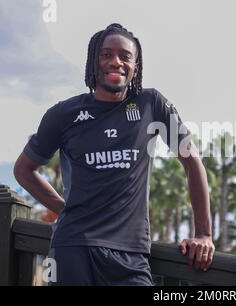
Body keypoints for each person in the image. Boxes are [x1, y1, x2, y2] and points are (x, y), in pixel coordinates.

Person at [13, 23, 215, 286]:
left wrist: (204, 234)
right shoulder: (63, 114)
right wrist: (65, 210)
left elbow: (191, 161)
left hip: (131, 256)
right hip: (71, 248)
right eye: (106, 54)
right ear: (93, 62)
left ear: (136, 67)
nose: (115, 62)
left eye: (125, 56)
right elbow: (23, 170)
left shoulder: (151, 104)